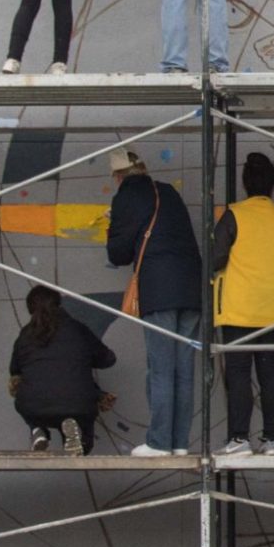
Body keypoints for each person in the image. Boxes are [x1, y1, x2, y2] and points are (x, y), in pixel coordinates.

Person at [106, 148, 204, 457]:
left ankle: (160, 442)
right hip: (192, 288)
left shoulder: (125, 196)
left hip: (159, 291)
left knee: (160, 368)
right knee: (183, 369)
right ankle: (179, 442)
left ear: (118, 176)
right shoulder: (167, 192)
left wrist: (113, 224)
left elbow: (117, 254)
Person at [214, 150, 274, 455]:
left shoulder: (234, 215)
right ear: (273, 186)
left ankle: (239, 438)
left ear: (244, 184)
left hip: (239, 309)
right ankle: (271, 438)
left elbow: (216, 258)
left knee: (238, 374)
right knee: (269, 374)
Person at [7, 286, 116, 454]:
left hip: (33, 406)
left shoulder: (26, 335)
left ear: (30, 308)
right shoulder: (78, 329)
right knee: (79, 418)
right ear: (58, 304)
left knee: (27, 393)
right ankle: (76, 436)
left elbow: (15, 370)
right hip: (79, 403)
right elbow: (108, 360)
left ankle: (38, 429)